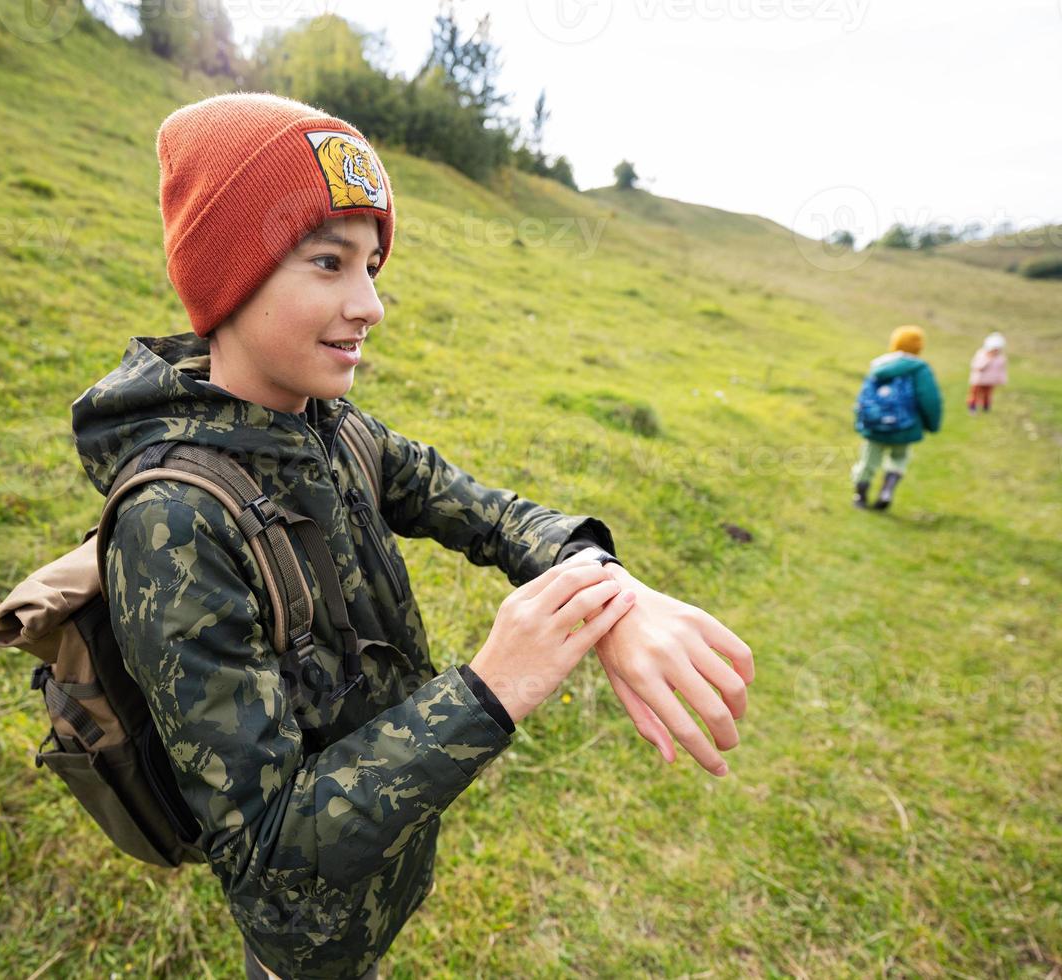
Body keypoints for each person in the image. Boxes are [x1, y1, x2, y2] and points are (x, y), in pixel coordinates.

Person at [71, 92, 755, 980]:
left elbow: (490, 513)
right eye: (328, 262)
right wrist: (492, 685)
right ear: (228, 277)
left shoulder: (336, 430)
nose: (371, 304)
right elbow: (268, 851)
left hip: (384, 887)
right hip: (306, 948)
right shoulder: (176, 522)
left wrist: (605, 588)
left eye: (373, 266)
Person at [851, 325, 943, 511]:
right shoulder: (920, 369)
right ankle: (887, 491)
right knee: (898, 458)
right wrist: (932, 424)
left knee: (868, 460)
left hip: (875, 425)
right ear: (919, 348)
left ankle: (860, 496)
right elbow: (930, 399)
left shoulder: (879, 365)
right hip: (905, 427)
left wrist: (860, 420)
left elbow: (865, 395)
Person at [967, 332, 1008, 413]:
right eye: (994, 349)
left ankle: (986, 407)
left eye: (997, 349)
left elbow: (1002, 370)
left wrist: (1002, 380)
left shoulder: (1000, 358)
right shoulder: (981, 354)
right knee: (975, 393)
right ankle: (972, 407)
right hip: (979, 380)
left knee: (987, 394)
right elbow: (976, 366)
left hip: (990, 381)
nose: (995, 351)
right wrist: (988, 360)